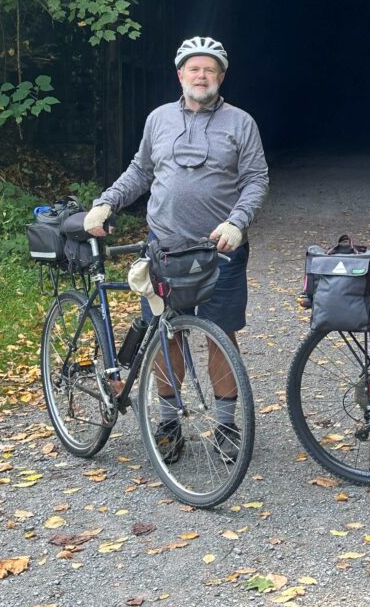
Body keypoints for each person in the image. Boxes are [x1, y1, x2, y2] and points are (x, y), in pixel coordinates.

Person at [84, 35, 268, 464]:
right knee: (167, 336)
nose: (201, 75)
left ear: (220, 77)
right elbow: (140, 170)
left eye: (209, 69)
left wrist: (237, 222)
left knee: (221, 337)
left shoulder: (241, 122)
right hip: (163, 249)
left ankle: (225, 425)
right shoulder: (159, 119)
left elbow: (256, 180)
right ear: (180, 74)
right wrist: (106, 201)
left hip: (219, 250)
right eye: (193, 68)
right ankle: (168, 424)